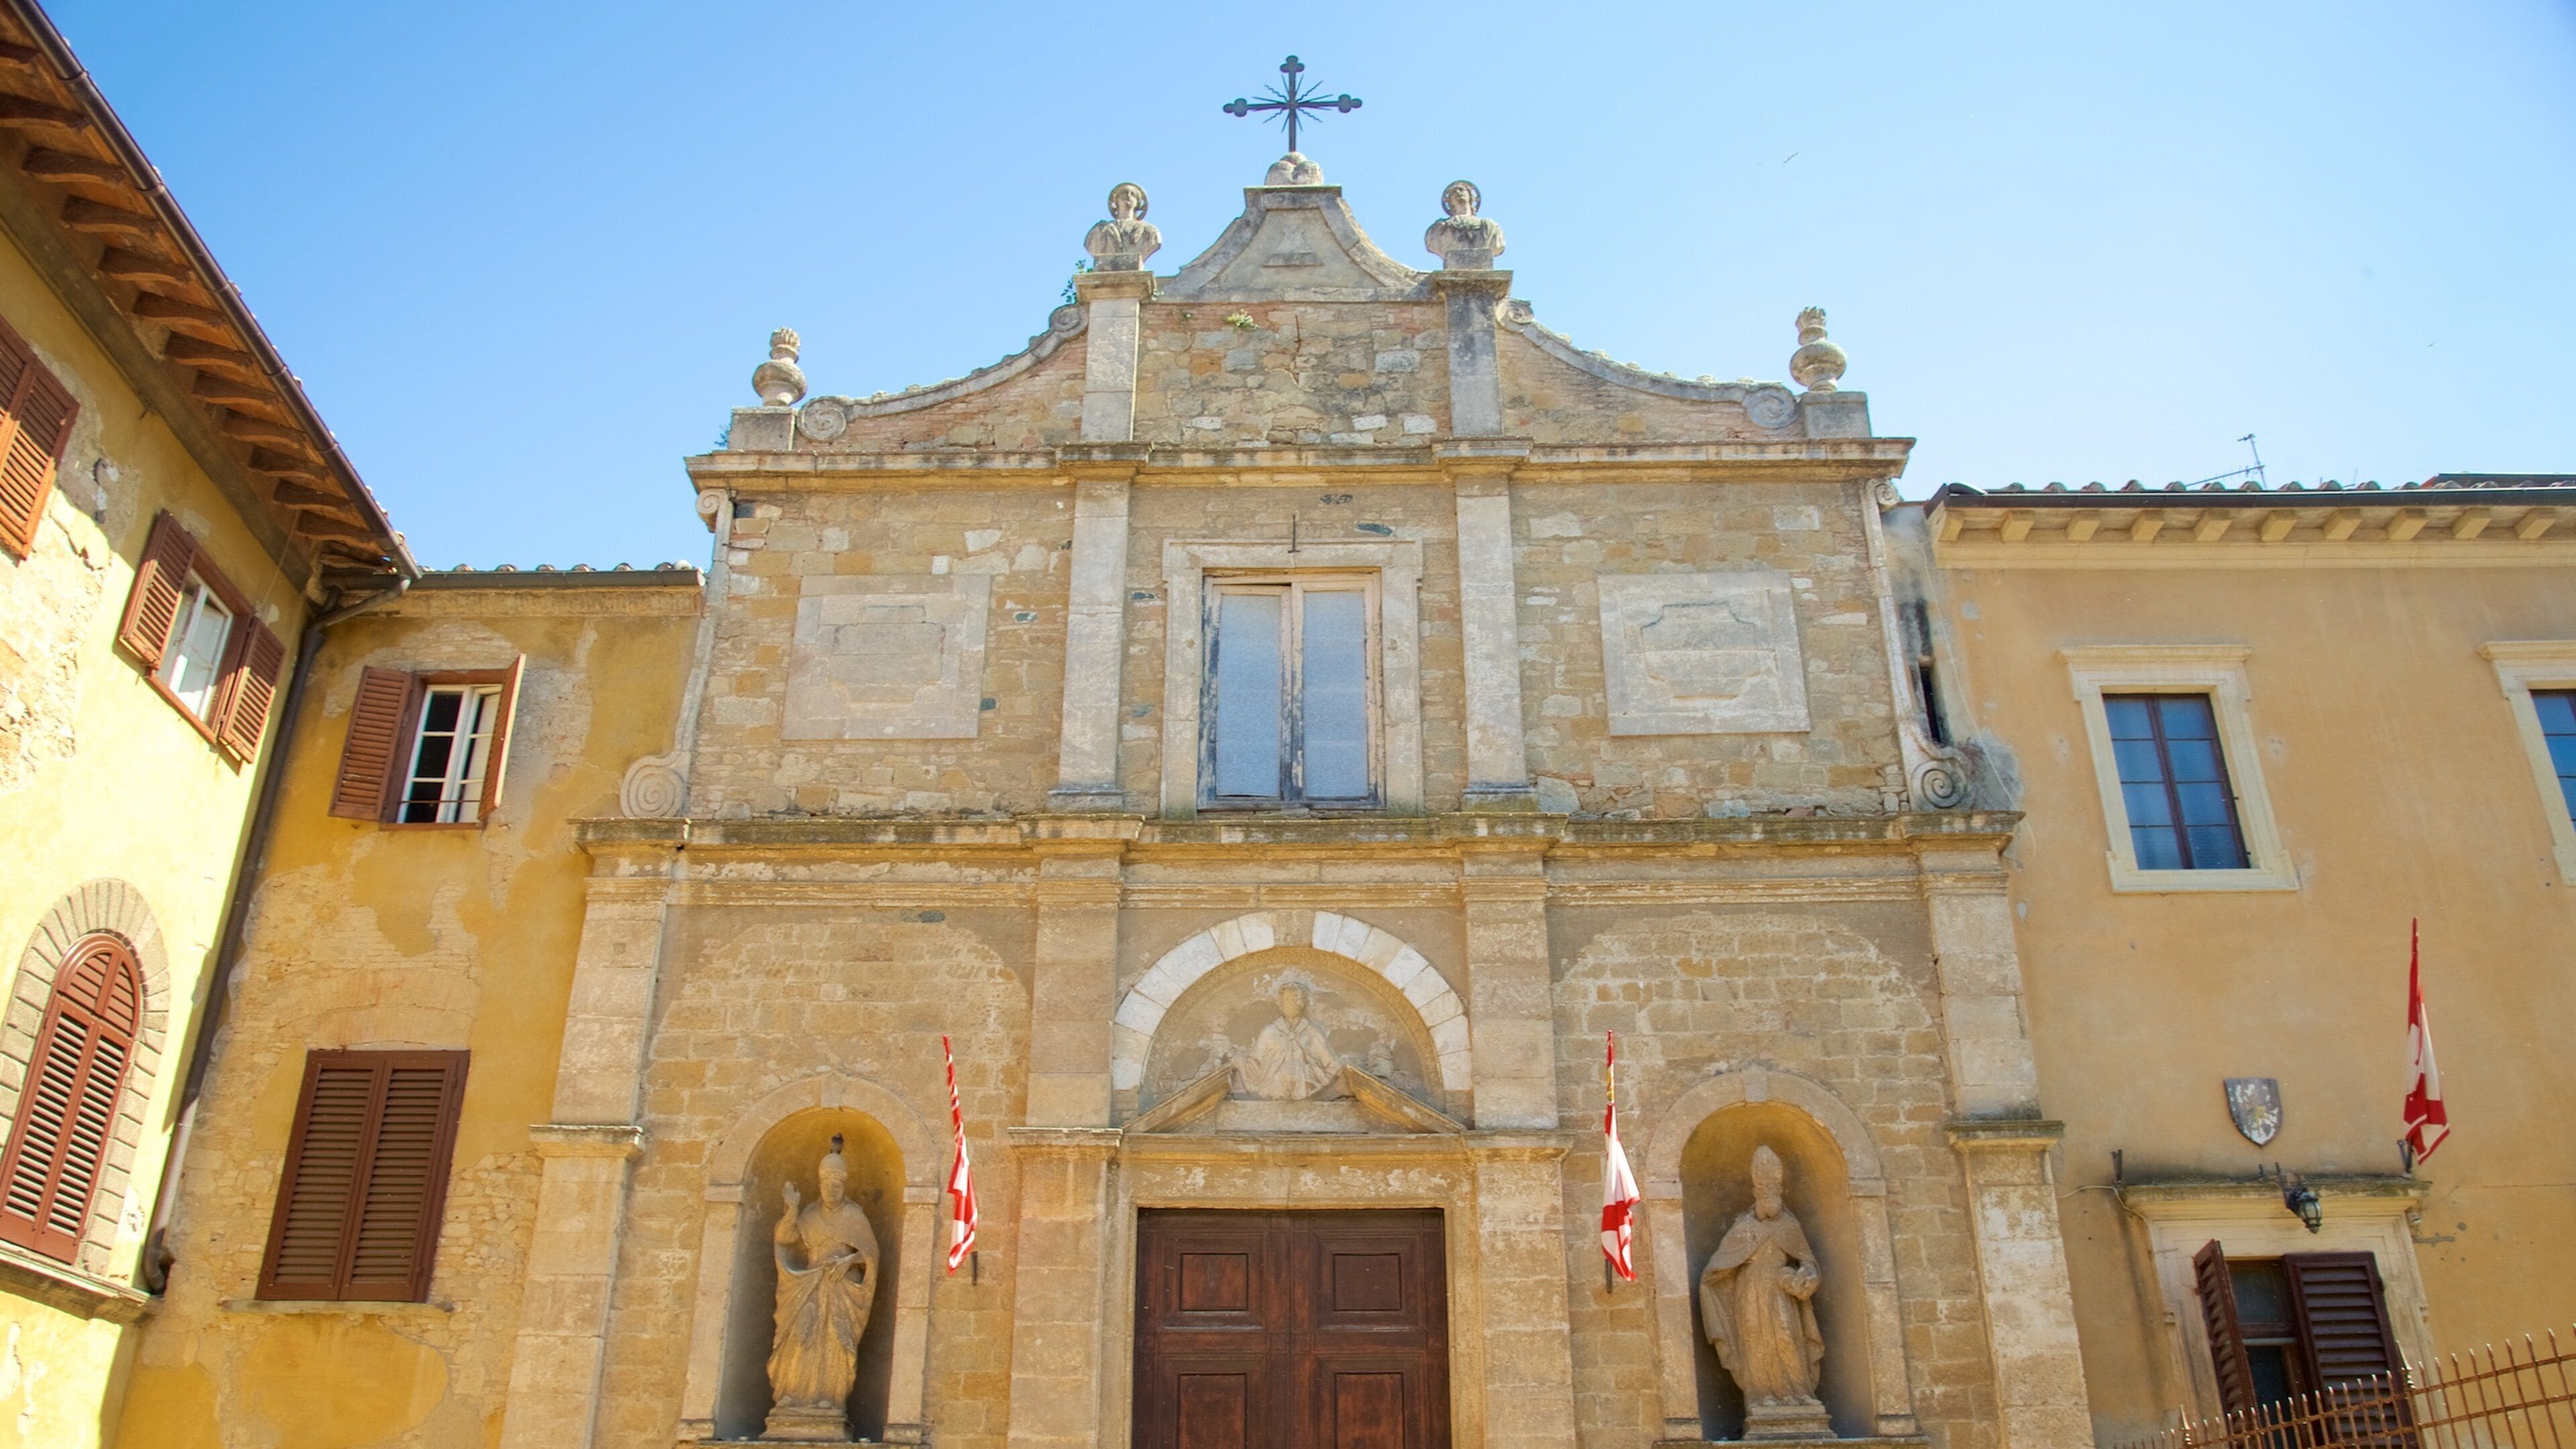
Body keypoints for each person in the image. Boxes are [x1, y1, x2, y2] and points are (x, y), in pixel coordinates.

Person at [766, 1135, 882, 1438]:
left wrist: (847, 1262)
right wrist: (791, 1209)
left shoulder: (853, 1215)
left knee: (838, 1342)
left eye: (837, 1185)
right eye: (827, 1184)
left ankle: (829, 1401)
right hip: (811, 1285)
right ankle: (792, 1397)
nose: (832, 1189)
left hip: (841, 1288)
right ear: (820, 1185)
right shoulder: (810, 1215)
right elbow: (786, 1238)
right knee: (800, 1337)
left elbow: (871, 1253)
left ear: (843, 1186)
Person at [1699, 1146, 1827, 1409]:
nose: (1767, 1197)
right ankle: (1761, 1395)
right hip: (1750, 1290)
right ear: (1755, 1194)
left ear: (1780, 1194)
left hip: (1781, 1289)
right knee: (1756, 1340)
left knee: (1787, 1337)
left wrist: (1806, 1277)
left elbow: (1808, 1261)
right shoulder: (1744, 1227)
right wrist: (1712, 1277)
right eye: (1762, 1192)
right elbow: (1722, 1261)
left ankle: (1799, 1393)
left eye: (1772, 1192)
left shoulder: (1789, 1226)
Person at [1230, 981, 1344, 1100]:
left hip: (1307, 1084)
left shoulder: (1312, 1031)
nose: (1296, 1004)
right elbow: (1255, 1062)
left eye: (1299, 999)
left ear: (1304, 1003)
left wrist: (1344, 1073)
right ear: (1281, 1004)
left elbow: (1328, 1060)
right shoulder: (1270, 1031)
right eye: (1290, 1000)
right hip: (1274, 1086)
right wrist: (1237, 1060)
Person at [1083, 182, 1162, 272]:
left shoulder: (1150, 231)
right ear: (1116, 201)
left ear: (1138, 203)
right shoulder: (1100, 230)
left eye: (1133, 194)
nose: (1128, 196)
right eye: (1124, 193)